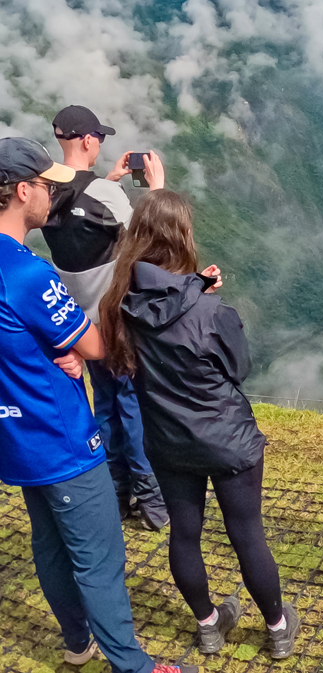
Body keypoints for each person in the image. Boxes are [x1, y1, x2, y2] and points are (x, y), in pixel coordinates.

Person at [0, 137, 192, 673]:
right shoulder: (27, 275)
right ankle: (134, 665)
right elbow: (100, 346)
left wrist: (47, 347)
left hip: (13, 438)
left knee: (49, 542)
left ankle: (76, 641)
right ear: (21, 192)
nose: (52, 195)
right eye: (45, 185)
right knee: (99, 557)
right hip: (58, 433)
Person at [97, 190, 296, 659]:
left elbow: (142, 337)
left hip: (166, 441)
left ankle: (209, 625)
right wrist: (201, 295)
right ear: (182, 236)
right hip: (228, 441)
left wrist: (195, 287)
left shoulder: (117, 306)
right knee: (246, 532)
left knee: (184, 532)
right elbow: (237, 369)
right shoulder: (211, 311)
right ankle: (278, 627)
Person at [42, 105, 169, 530]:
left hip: (79, 324)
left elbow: (81, 219)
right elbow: (147, 240)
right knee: (131, 404)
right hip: (115, 320)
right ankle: (152, 500)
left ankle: (116, 494)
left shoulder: (46, 191)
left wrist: (108, 180)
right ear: (88, 141)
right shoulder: (106, 196)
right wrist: (155, 189)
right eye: (98, 138)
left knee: (106, 405)